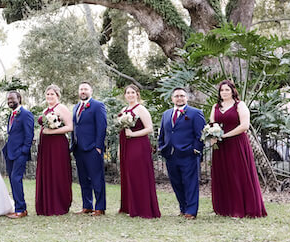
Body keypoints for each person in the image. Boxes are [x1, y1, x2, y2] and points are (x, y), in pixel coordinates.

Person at [209, 80, 267, 218]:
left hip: (237, 144)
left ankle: (240, 209)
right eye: (222, 90)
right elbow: (212, 123)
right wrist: (211, 135)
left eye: (227, 90)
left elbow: (244, 126)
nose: (224, 92)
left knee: (237, 174)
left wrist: (225, 135)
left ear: (233, 91)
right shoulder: (216, 106)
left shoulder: (240, 105)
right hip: (220, 146)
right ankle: (225, 208)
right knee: (223, 174)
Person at [158, 87, 205, 219]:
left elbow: (201, 134)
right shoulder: (166, 114)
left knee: (190, 183)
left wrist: (195, 149)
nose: (179, 98)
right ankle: (183, 208)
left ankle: (191, 211)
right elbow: (162, 133)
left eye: (182, 96)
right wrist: (162, 147)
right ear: (172, 98)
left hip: (188, 154)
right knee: (176, 183)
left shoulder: (195, 113)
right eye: (177, 96)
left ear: (187, 98)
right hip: (171, 155)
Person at [117, 85, 161, 219]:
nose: (130, 95)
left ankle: (142, 207)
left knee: (138, 174)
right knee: (128, 174)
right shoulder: (123, 110)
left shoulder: (141, 109)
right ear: (125, 95)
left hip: (138, 145)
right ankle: (130, 206)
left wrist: (133, 134)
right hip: (126, 144)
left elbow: (149, 129)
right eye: (127, 93)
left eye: (132, 92)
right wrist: (120, 149)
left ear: (137, 94)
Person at [35, 84, 73, 216]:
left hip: (57, 144)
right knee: (47, 171)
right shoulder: (46, 109)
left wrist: (52, 132)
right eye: (48, 94)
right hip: (45, 145)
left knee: (57, 171)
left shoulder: (61, 108)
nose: (49, 96)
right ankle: (46, 203)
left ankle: (59, 204)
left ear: (57, 96)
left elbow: (70, 127)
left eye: (52, 94)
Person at [71, 82, 107, 216]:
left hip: (92, 148)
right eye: (81, 89)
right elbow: (75, 127)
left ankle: (100, 207)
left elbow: (102, 126)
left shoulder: (98, 106)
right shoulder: (76, 107)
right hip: (78, 148)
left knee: (97, 178)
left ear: (91, 91)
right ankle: (87, 206)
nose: (83, 91)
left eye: (85, 89)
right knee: (83, 178)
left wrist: (98, 146)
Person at [3, 91, 35, 219]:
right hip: (10, 152)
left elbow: (29, 134)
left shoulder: (26, 114)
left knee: (16, 179)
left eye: (12, 98)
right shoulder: (11, 115)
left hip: (20, 153)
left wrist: (24, 150)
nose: (10, 101)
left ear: (19, 98)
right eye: (8, 99)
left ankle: (21, 209)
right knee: (12, 179)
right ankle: (18, 208)